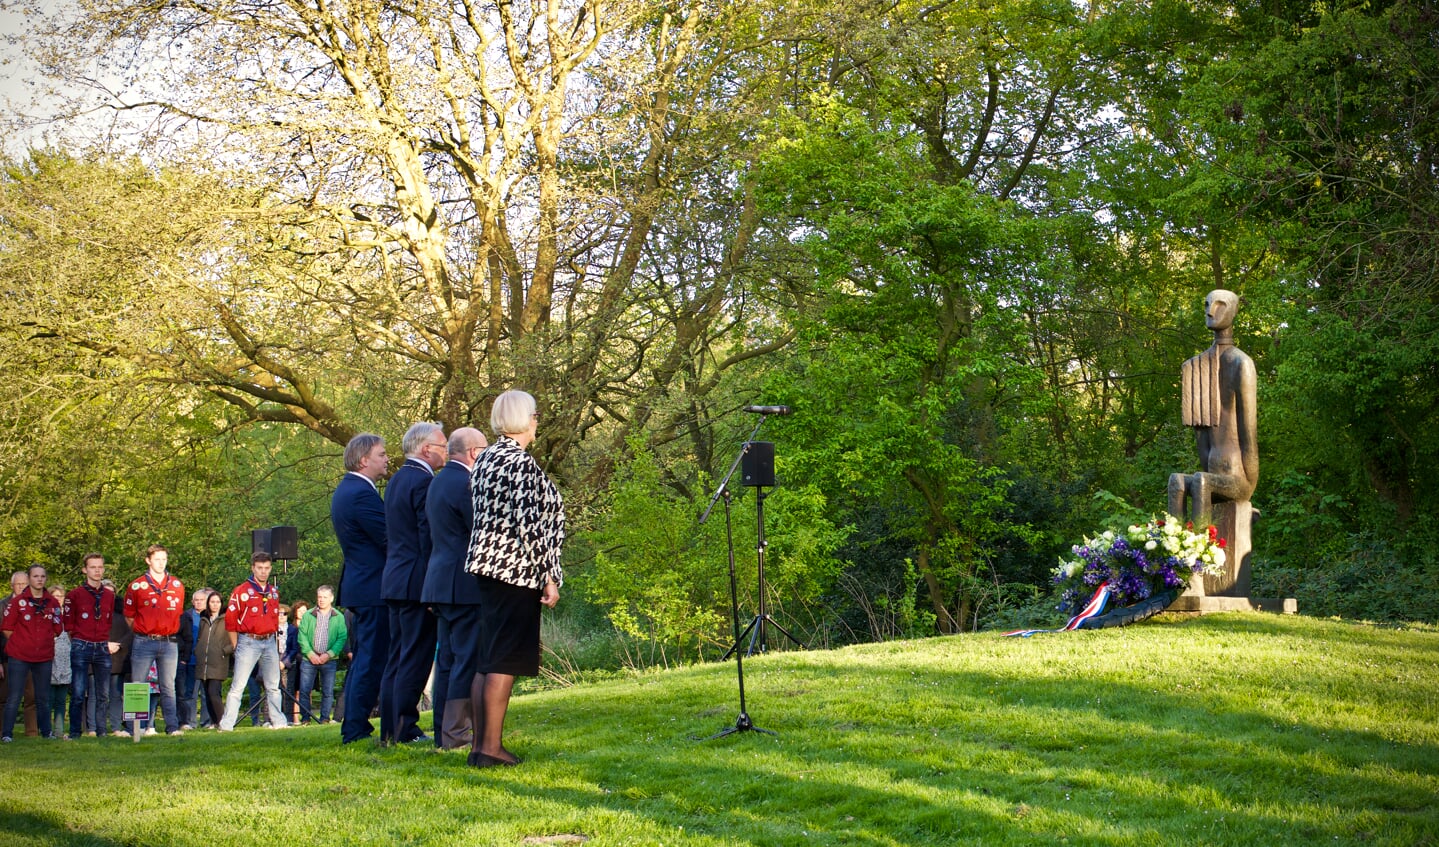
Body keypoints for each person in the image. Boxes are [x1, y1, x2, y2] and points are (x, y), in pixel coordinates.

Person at [465, 390, 564, 767]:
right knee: (503, 659)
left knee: (488, 658)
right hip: (516, 570)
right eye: (535, 414)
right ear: (525, 418)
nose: (538, 421)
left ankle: (480, 746)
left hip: (488, 569)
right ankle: (490, 748)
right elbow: (530, 526)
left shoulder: (487, 458)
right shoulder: (519, 463)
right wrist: (549, 577)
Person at [421, 426, 488, 749]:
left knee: (447, 660)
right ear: (474, 453)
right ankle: (457, 734)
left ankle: (442, 732)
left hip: (439, 582)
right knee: (466, 659)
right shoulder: (466, 483)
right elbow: (480, 530)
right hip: (463, 584)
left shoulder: (436, 483)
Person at [380, 422, 447, 745]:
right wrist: (433, 585)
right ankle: (405, 728)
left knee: (397, 655)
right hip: (416, 582)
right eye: (442, 446)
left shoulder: (395, 480)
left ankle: (390, 728)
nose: (446, 452)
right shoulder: (423, 482)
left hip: (394, 579)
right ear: (425, 449)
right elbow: (427, 537)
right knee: (415, 657)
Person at [333, 432, 389, 744]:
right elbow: (388, 537)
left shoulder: (349, 490)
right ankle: (354, 727)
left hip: (362, 585)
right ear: (364, 459)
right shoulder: (360, 494)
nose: (386, 460)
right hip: (372, 587)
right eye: (381, 454)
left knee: (367, 658)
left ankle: (354, 723)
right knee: (371, 659)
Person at [218, 553, 287, 731]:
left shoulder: (273, 592)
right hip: (248, 641)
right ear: (253, 568)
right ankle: (227, 725)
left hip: (269, 641)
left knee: (273, 685)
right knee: (238, 686)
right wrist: (236, 645)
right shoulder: (241, 591)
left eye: (266, 568)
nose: (263, 572)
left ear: (271, 569)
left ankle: (279, 722)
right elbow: (230, 621)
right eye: (260, 568)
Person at [123, 545, 186, 736]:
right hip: (144, 641)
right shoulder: (136, 586)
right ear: (148, 560)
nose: (161, 563)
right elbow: (129, 617)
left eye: (164, 559)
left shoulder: (177, 585)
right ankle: (135, 728)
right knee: (138, 684)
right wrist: (143, 631)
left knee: (168, 686)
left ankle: (172, 727)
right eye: (157, 559)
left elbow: (178, 614)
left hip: (169, 642)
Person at [2, 565, 64, 741]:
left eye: (43, 576)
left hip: (43, 656)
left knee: (43, 696)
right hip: (19, 656)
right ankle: (7, 734)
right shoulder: (18, 602)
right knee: (14, 695)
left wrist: (42, 641)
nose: (39, 579)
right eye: (36, 576)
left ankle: (46, 732)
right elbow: (7, 628)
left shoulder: (52, 603)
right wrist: (23, 642)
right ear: (29, 579)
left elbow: (57, 628)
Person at [64, 554, 117, 738]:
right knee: (79, 692)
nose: (97, 570)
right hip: (81, 644)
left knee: (103, 692)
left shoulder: (109, 595)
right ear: (85, 569)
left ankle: (101, 730)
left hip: (102, 645)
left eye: (100, 567)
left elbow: (109, 620)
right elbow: (68, 623)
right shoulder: (74, 595)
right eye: (93, 567)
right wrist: (78, 641)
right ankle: (75, 732)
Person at [297, 585, 346, 724]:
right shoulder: (308, 615)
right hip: (309, 659)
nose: (322, 600)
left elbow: (341, 638)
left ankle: (324, 718)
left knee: (328, 691)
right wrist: (310, 654)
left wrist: (329, 654)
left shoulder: (339, 617)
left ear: (331, 598)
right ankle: (305, 719)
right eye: (319, 597)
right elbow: (302, 636)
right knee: (305, 691)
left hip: (329, 660)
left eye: (325, 597)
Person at [1, 571, 40, 737]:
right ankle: (3, 731)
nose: (22, 587)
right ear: (12, 586)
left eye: (25, 584)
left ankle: (32, 732)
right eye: (19, 584)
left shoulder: (36, 605)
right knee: (4, 698)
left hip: (30, 658)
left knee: (31, 697)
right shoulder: (2, 606)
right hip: (7, 658)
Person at [194, 591, 231, 728]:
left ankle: (223, 721)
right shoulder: (204, 620)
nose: (215, 605)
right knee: (206, 694)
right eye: (212, 602)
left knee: (213, 692)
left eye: (217, 602)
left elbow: (234, 640)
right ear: (208, 603)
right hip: (203, 661)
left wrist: (225, 651)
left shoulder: (226, 619)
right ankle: (214, 722)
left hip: (218, 661)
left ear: (221, 604)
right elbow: (200, 638)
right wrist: (198, 650)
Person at [176, 588, 209, 730]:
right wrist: (183, 657)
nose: (199, 602)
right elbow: (181, 637)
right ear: (192, 601)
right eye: (196, 600)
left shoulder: (211, 616)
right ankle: (189, 722)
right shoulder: (185, 616)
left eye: (202, 600)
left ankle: (207, 722)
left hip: (207, 661)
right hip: (190, 660)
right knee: (190, 693)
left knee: (207, 693)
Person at [105, 588, 133, 736]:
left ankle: (117, 726)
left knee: (116, 694)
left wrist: (115, 644)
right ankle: (126, 725)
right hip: (118, 659)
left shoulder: (119, 615)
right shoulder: (126, 618)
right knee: (122, 694)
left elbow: (133, 631)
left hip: (116, 659)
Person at [49, 585, 71, 734]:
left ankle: (59, 730)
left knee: (61, 700)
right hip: (49, 660)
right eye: (55, 596)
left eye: (61, 596)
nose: (58, 599)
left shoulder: (68, 616)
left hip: (66, 662)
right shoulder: (47, 614)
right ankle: (45, 730)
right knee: (48, 699)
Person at [283, 601, 307, 724]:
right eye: (300, 610)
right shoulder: (291, 627)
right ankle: (294, 718)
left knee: (305, 690)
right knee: (292, 690)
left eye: (305, 610)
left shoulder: (310, 625)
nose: (302, 612)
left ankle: (305, 717)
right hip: (294, 661)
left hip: (307, 659)